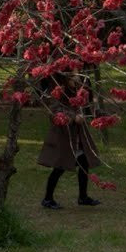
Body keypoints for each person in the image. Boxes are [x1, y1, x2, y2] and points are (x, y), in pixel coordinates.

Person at [37, 77, 101, 210]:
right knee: (59, 167)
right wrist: (73, 117)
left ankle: (83, 197)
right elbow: (54, 111)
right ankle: (48, 199)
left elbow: (82, 105)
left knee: (84, 163)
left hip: (77, 136)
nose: (77, 79)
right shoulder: (58, 91)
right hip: (65, 136)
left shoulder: (76, 90)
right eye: (73, 77)